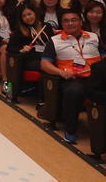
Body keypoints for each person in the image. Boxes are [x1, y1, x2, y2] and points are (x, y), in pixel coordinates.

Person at [40, 8, 100, 143]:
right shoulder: (55, 40)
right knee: (74, 91)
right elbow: (44, 64)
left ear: (81, 22)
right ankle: (70, 130)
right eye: (66, 21)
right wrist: (61, 72)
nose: (70, 23)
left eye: (74, 20)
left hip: (96, 78)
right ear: (62, 24)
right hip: (72, 79)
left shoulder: (94, 37)